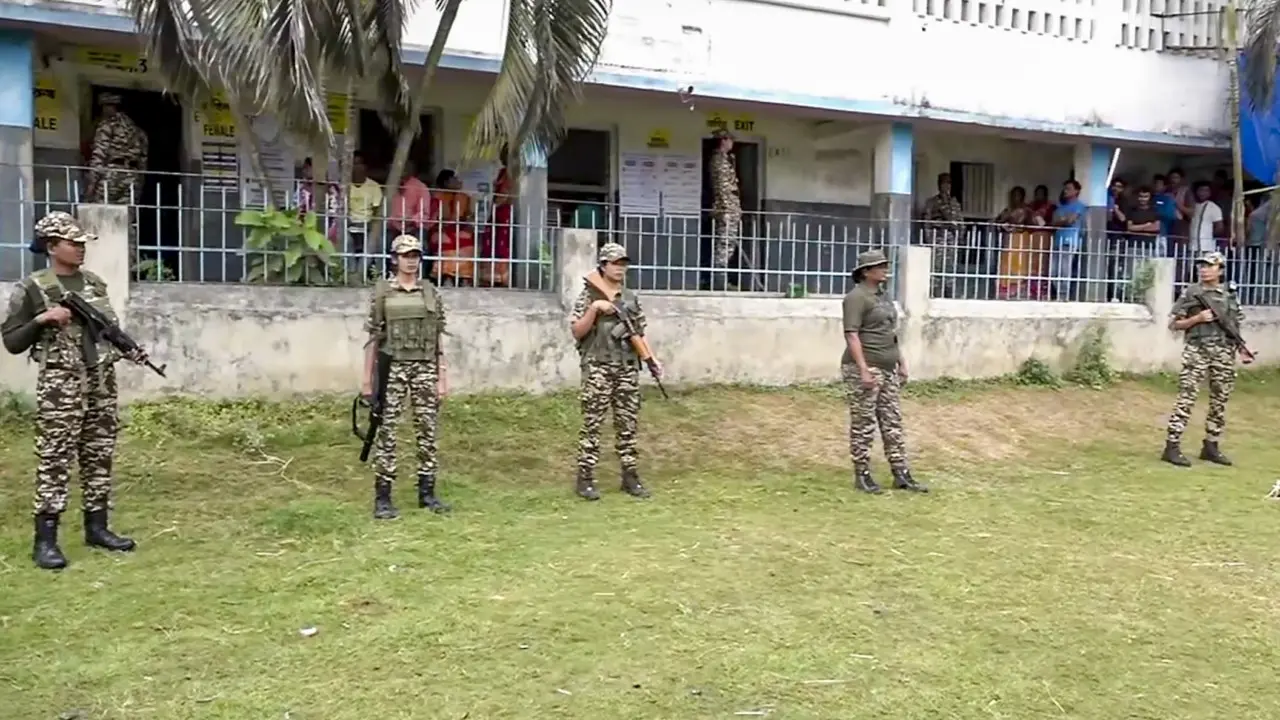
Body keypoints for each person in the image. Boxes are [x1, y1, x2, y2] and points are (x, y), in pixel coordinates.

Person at [1, 212, 144, 570]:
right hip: (60, 385)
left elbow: (107, 327)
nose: (80, 249)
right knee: (55, 457)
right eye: (72, 243)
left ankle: (97, 528)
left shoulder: (94, 282)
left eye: (82, 243)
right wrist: (42, 319)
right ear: (51, 246)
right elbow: (12, 341)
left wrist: (128, 347)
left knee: (99, 452)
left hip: (100, 379)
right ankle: (45, 541)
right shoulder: (33, 287)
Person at [361, 235, 451, 519]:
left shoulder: (430, 292)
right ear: (394, 258)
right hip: (393, 368)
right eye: (405, 255)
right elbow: (374, 339)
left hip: (425, 367)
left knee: (427, 431)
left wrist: (442, 377)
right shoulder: (383, 293)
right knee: (387, 431)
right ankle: (383, 497)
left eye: (415, 255)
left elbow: (437, 337)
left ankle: (427, 493)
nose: (411, 260)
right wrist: (367, 380)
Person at [569, 242, 657, 501]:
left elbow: (638, 332)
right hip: (598, 367)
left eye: (623, 263)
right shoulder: (589, 294)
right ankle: (585, 477)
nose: (620, 268)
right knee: (592, 424)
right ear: (603, 266)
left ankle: (630, 476)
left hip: (627, 368)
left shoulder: (630, 297)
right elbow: (576, 331)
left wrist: (651, 359)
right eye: (614, 263)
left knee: (627, 424)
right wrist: (595, 309)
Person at [840, 249, 926, 495]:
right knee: (864, 422)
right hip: (866, 366)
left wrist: (901, 362)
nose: (885, 269)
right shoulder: (856, 298)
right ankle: (862, 474)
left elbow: (891, 332)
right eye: (879, 266)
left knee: (892, 422)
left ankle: (901, 473)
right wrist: (863, 369)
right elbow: (851, 334)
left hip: (887, 366)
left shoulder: (883, 296)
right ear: (866, 272)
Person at [1161, 251, 1250, 467]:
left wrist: (1242, 348)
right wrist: (1196, 319)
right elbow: (1174, 325)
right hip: (1197, 351)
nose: (1204, 269)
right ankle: (1172, 446)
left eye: (1209, 266)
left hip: (1223, 352)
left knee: (1220, 399)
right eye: (1201, 265)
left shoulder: (1229, 294)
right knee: (1187, 397)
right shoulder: (1192, 293)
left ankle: (1211, 445)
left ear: (1220, 269)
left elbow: (1233, 325)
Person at [84, 92, 148, 269]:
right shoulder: (137, 131)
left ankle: (101, 261)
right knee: (128, 221)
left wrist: (92, 183)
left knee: (101, 216)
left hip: (110, 175)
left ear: (108, 107)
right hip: (132, 176)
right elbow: (143, 160)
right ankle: (129, 264)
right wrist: (138, 182)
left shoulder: (107, 126)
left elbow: (99, 155)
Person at [708, 128, 743, 290]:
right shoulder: (719, 161)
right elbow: (722, 188)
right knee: (724, 245)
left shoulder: (725, 159)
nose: (732, 143)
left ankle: (721, 280)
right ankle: (719, 282)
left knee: (728, 244)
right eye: (730, 139)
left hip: (730, 208)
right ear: (723, 140)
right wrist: (726, 210)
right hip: (726, 209)